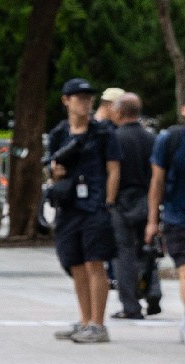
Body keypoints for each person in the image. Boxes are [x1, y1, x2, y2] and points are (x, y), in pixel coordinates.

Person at [47, 77, 120, 343]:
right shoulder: (58, 133)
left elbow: (114, 169)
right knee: (75, 264)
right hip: (68, 207)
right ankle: (85, 319)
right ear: (66, 101)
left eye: (89, 98)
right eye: (79, 98)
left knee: (95, 263)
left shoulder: (103, 133)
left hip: (95, 205)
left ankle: (98, 324)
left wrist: (108, 202)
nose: (85, 103)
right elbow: (51, 167)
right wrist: (54, 172)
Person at [148, 85, 185, 352]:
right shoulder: (169, 141)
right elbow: (156, 183)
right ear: (184, 109)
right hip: (179, 217)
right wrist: (151, 221)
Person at [108, 92, 161, 321]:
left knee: (124, 254)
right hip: (147, 198)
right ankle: (153, 292)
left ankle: (130, 305)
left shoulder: (114, 138)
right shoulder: (152, 139)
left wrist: (109, 202)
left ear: (119, 112)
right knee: (148, 250)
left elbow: (113, 173)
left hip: (121, 201)